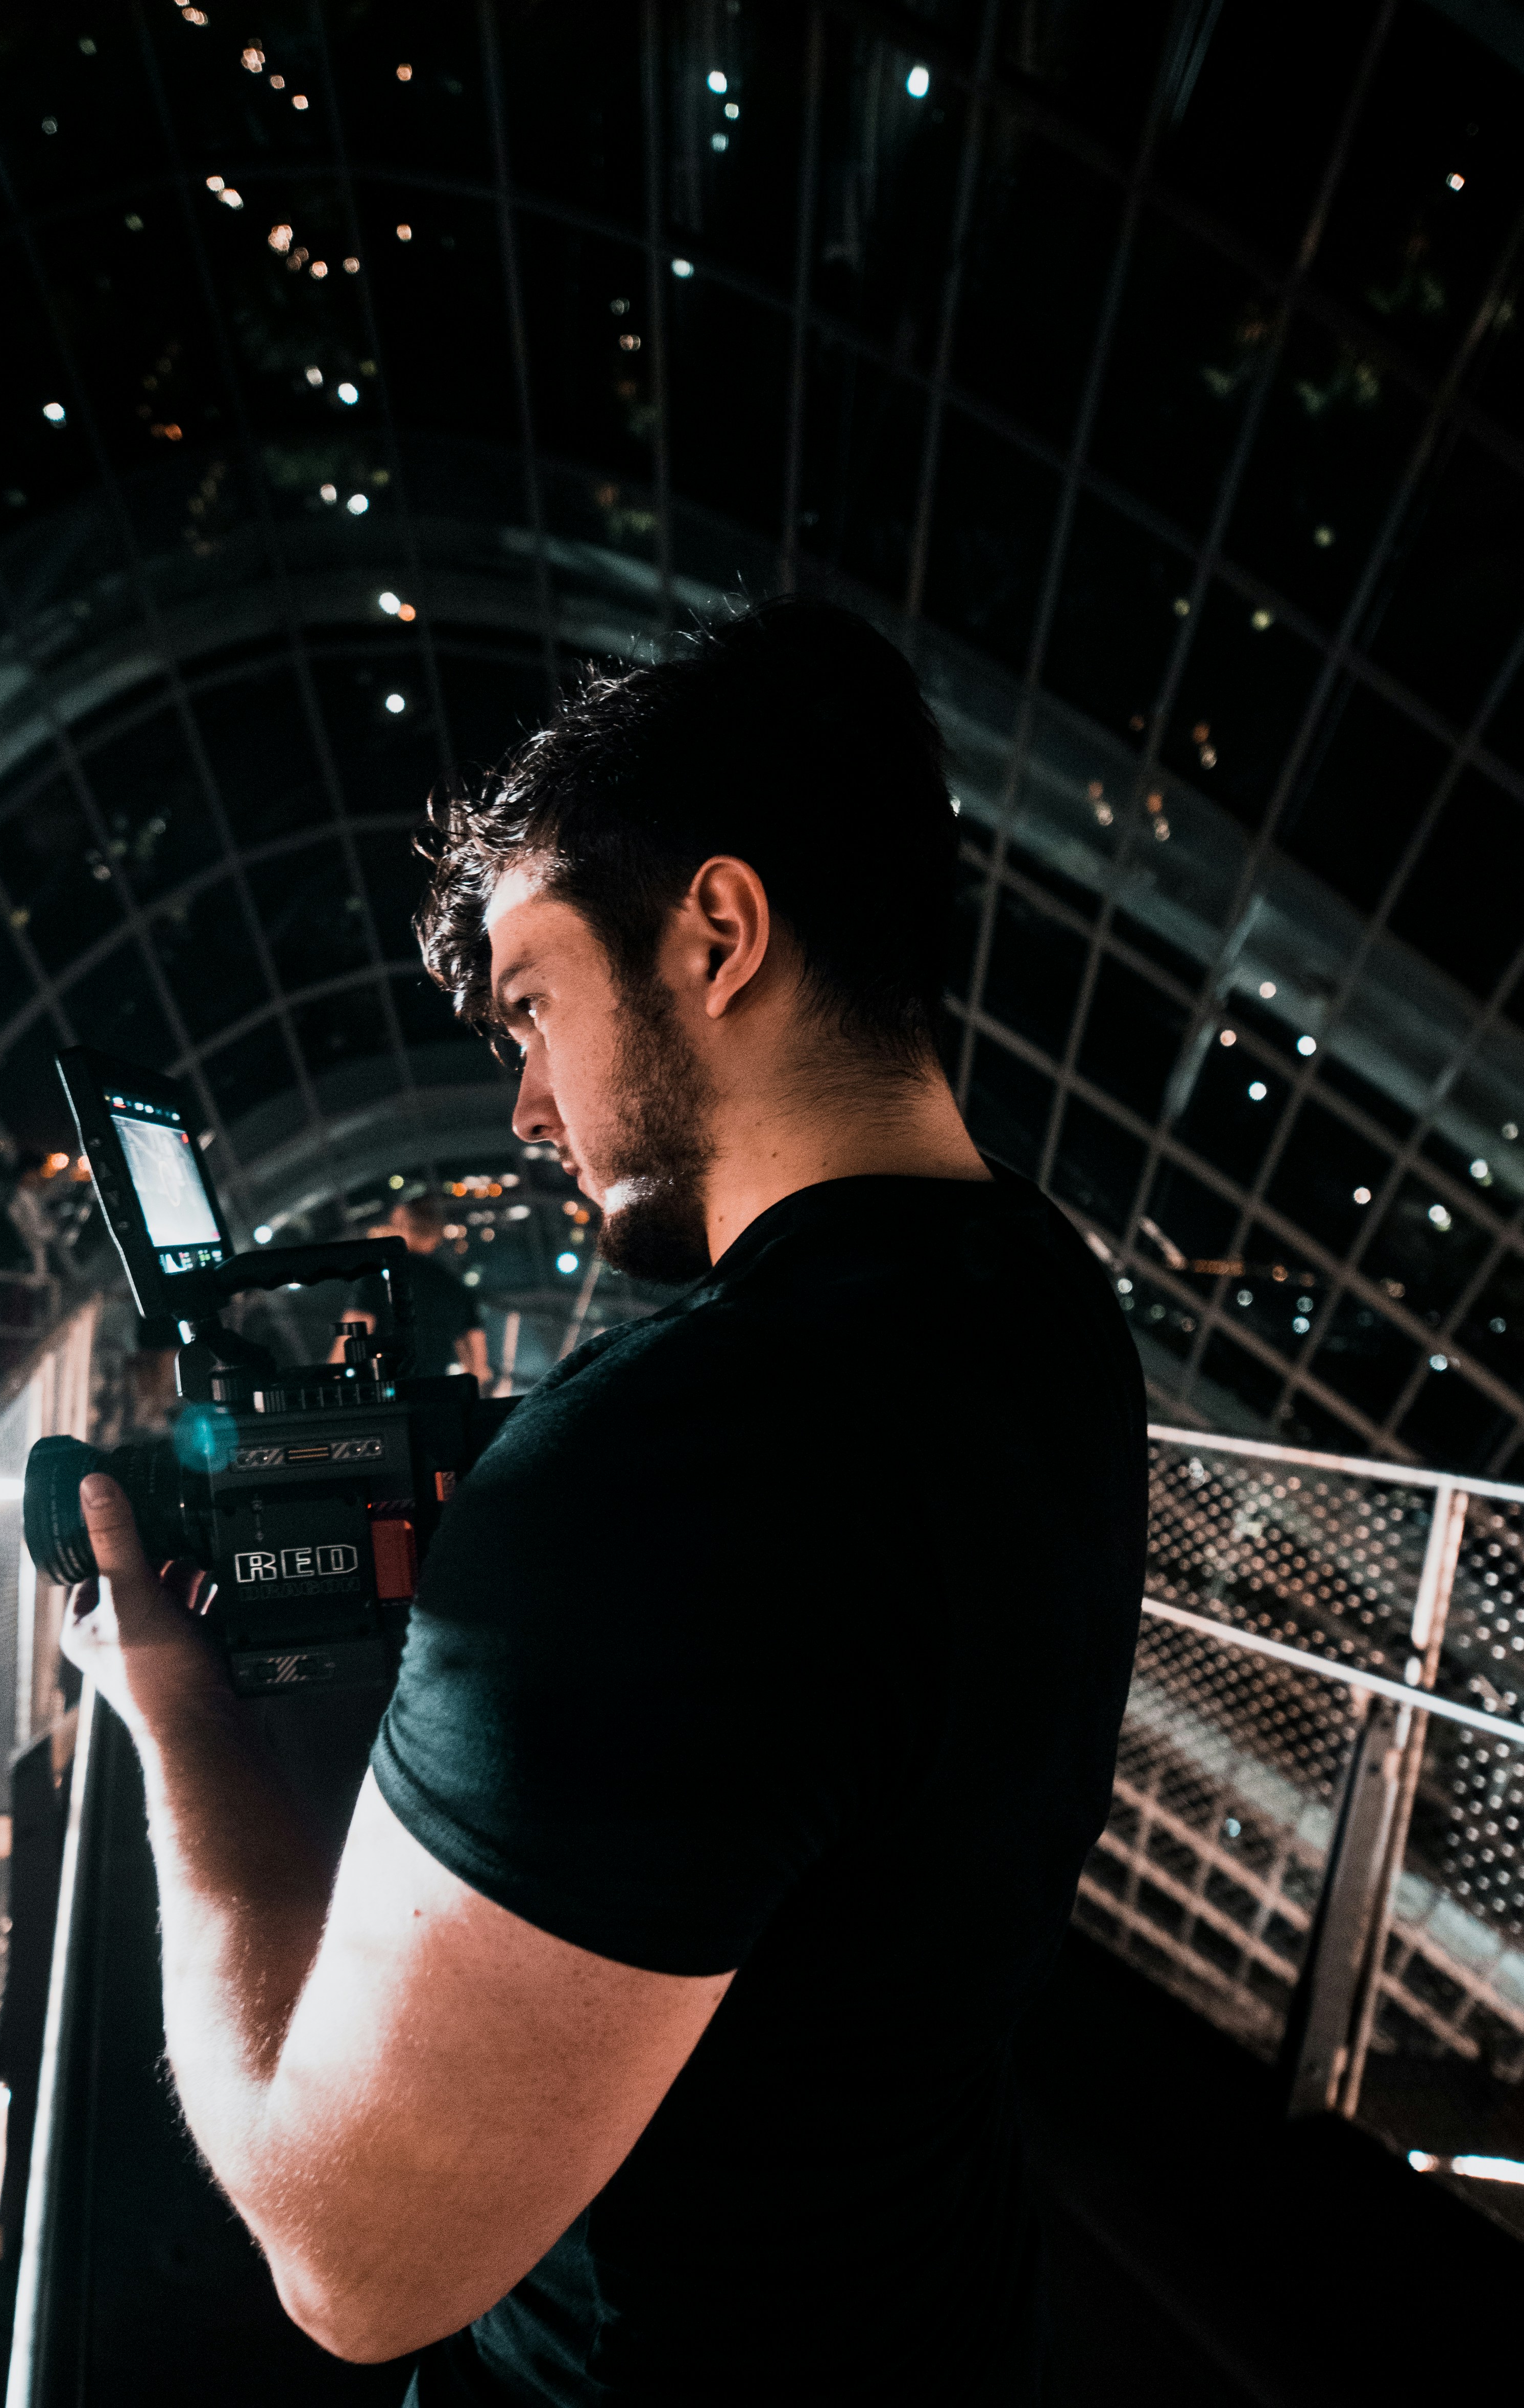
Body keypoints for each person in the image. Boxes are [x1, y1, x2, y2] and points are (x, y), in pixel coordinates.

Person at [62, 598, 1146, 2402]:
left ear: (717, 934)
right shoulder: (1040, 1308)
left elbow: (353, 2256)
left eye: (536, 1004)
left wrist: (173, 1710)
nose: (526, 1108)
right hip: (936, 2324)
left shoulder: (669, 1462)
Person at [331, 1196, 492, 1385]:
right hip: (429, 1396)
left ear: (399, 1224)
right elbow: (478, 1368)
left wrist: (333, 1377)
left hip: (383, 1391)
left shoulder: (380, 1274)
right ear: (436, 1235)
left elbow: (356, 1331)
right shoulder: (455, 1287)